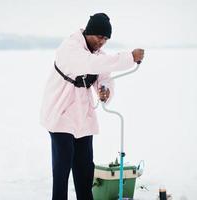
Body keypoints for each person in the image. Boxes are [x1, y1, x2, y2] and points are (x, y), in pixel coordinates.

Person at [40, 13, 144, 200]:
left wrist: (105, 92)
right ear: (88, 32)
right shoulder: (71, 48)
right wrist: (129, 57)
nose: (102, 42)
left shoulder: (99, 55)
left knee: (85, 169)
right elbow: (92, 64)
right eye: (99, 37)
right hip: (60, 113)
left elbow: (105, 76)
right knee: (62, 169)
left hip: (82, 117)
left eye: (105, 39)